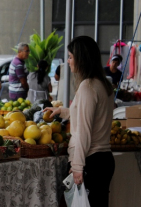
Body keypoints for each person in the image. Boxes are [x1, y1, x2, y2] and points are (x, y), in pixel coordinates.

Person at [44, 36, 115, 206]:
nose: (68, 61)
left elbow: (84, 130)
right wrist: (62, 111)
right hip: (103, 160)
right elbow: (91, 115)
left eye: (70, 57)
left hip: (91, 161)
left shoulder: (87, 86)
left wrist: (77, 167)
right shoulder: (103, 84)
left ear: (81, 58)